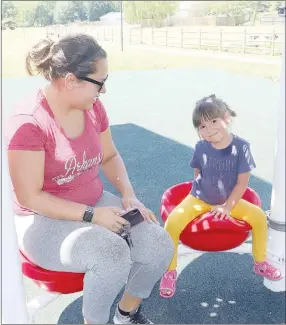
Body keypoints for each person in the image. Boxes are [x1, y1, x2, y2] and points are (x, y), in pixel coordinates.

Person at [5, 33, 174, 324]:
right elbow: (29, 196)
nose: (104, 90)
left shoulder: (92, 107)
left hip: (94, 203)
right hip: (42, 219)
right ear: (70, 81)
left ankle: (126, 314)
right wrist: (92, 215)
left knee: (158, 242)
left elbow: (109, 156)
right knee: (111, 254)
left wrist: (128, 196)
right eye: (100, 81)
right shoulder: (28, 122)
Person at [159, 94, 283, 298]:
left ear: (226, 118)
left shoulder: (241, 147)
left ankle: (260, 262)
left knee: (260, 218)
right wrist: (201, 198)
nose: (209, 130)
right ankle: (170, 271)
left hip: (230, 200)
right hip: (198, 198)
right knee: (171, 224)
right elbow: (197, 173)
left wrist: (227, 206)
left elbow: (243, 182)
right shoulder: (200, 147)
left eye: (214, 121)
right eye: (202, 126)